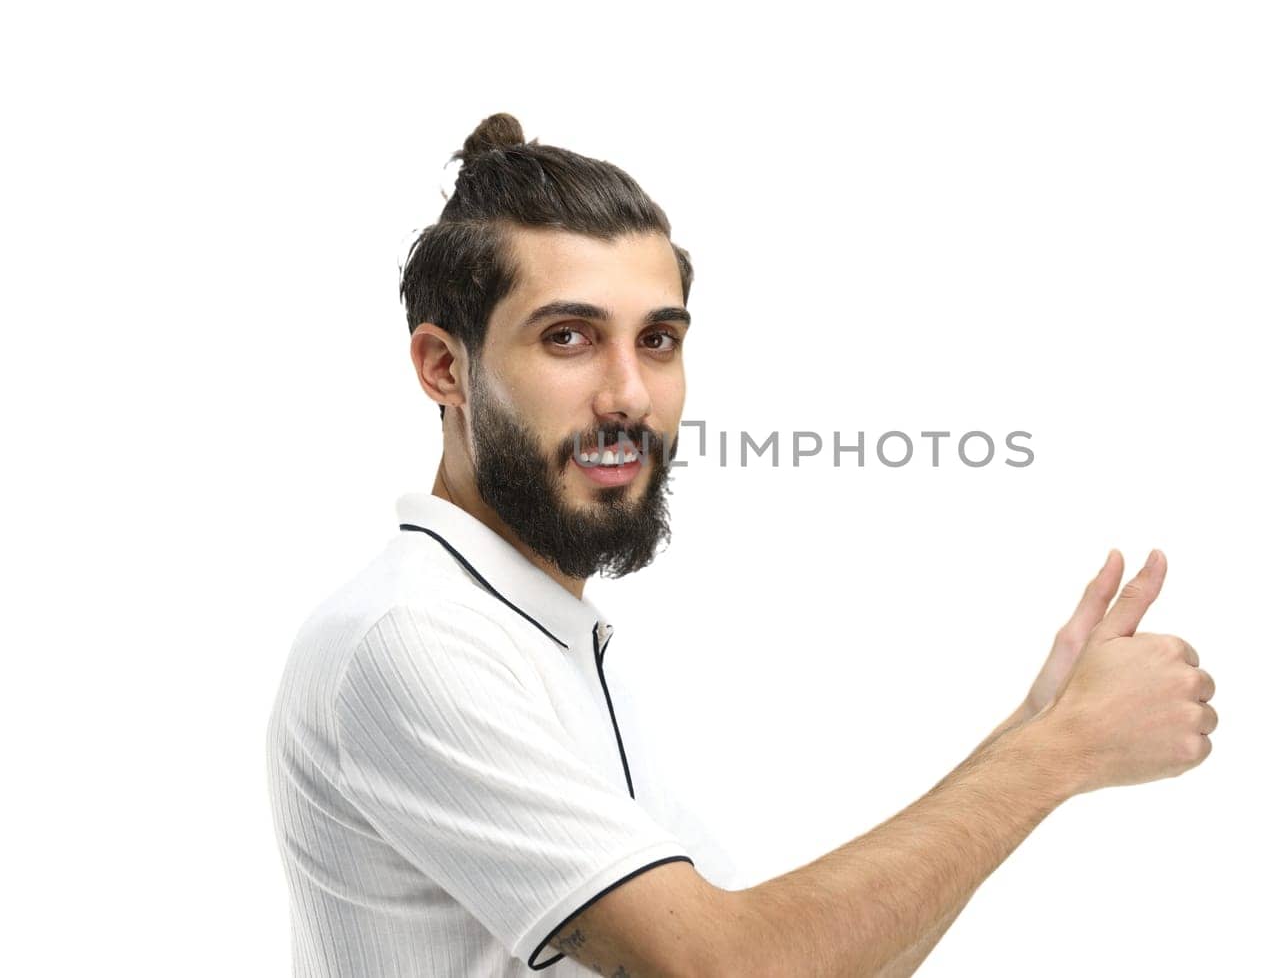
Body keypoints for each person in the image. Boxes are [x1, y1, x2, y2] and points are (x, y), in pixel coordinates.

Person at [265, 113, 1218, 978]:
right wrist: (1064, 751)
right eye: (569, 337)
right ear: (444, 367)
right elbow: (727, 969)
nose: (629, 394)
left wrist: (1033, 726)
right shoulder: (412, 639)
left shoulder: (539, 637)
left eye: (659, 340)